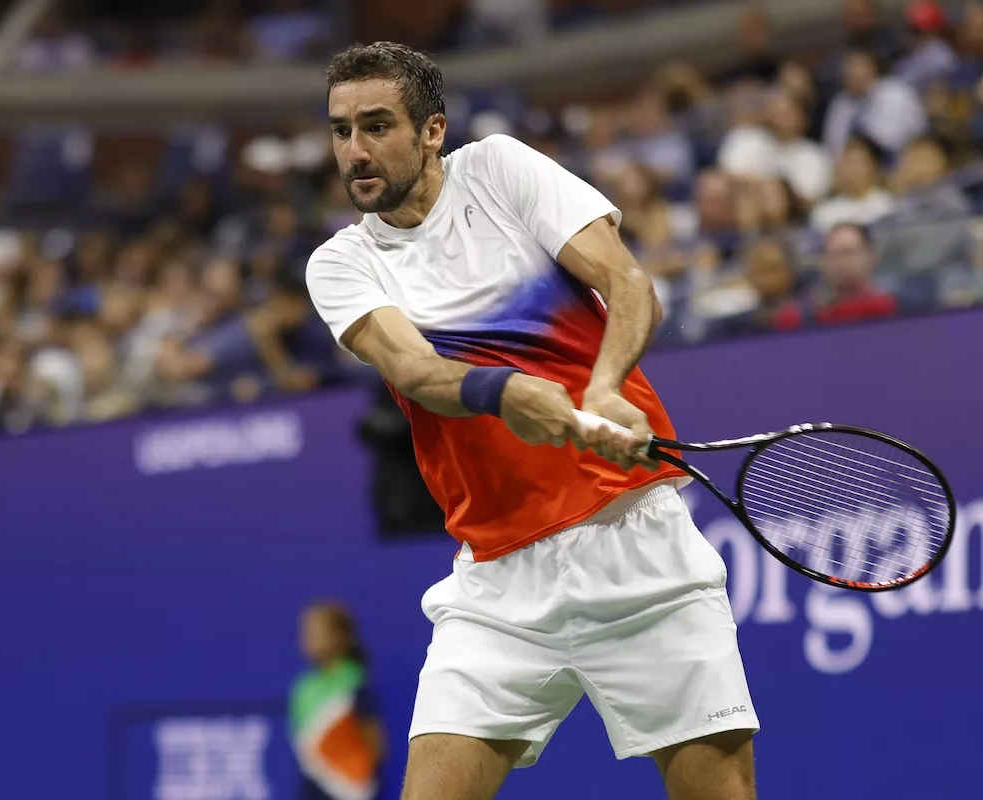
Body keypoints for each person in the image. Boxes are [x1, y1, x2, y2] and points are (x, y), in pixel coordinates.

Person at [306, 42, 757, 800]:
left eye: (377, 125)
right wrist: (505, 392)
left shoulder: (501, 171)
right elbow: (416, 371)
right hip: (497, 584)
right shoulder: (342, 262)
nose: (355, 150)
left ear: (432, 131)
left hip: (637, 550)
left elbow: (625, 280)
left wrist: (608, 386)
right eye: (341, 130)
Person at [290, 601, 386, 800]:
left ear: (341, 637)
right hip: (314, 789)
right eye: (306, 633)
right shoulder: (302, 688)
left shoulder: (355, 682)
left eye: (317, 633)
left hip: (353, 790)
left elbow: (375, 743)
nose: (308, 639)